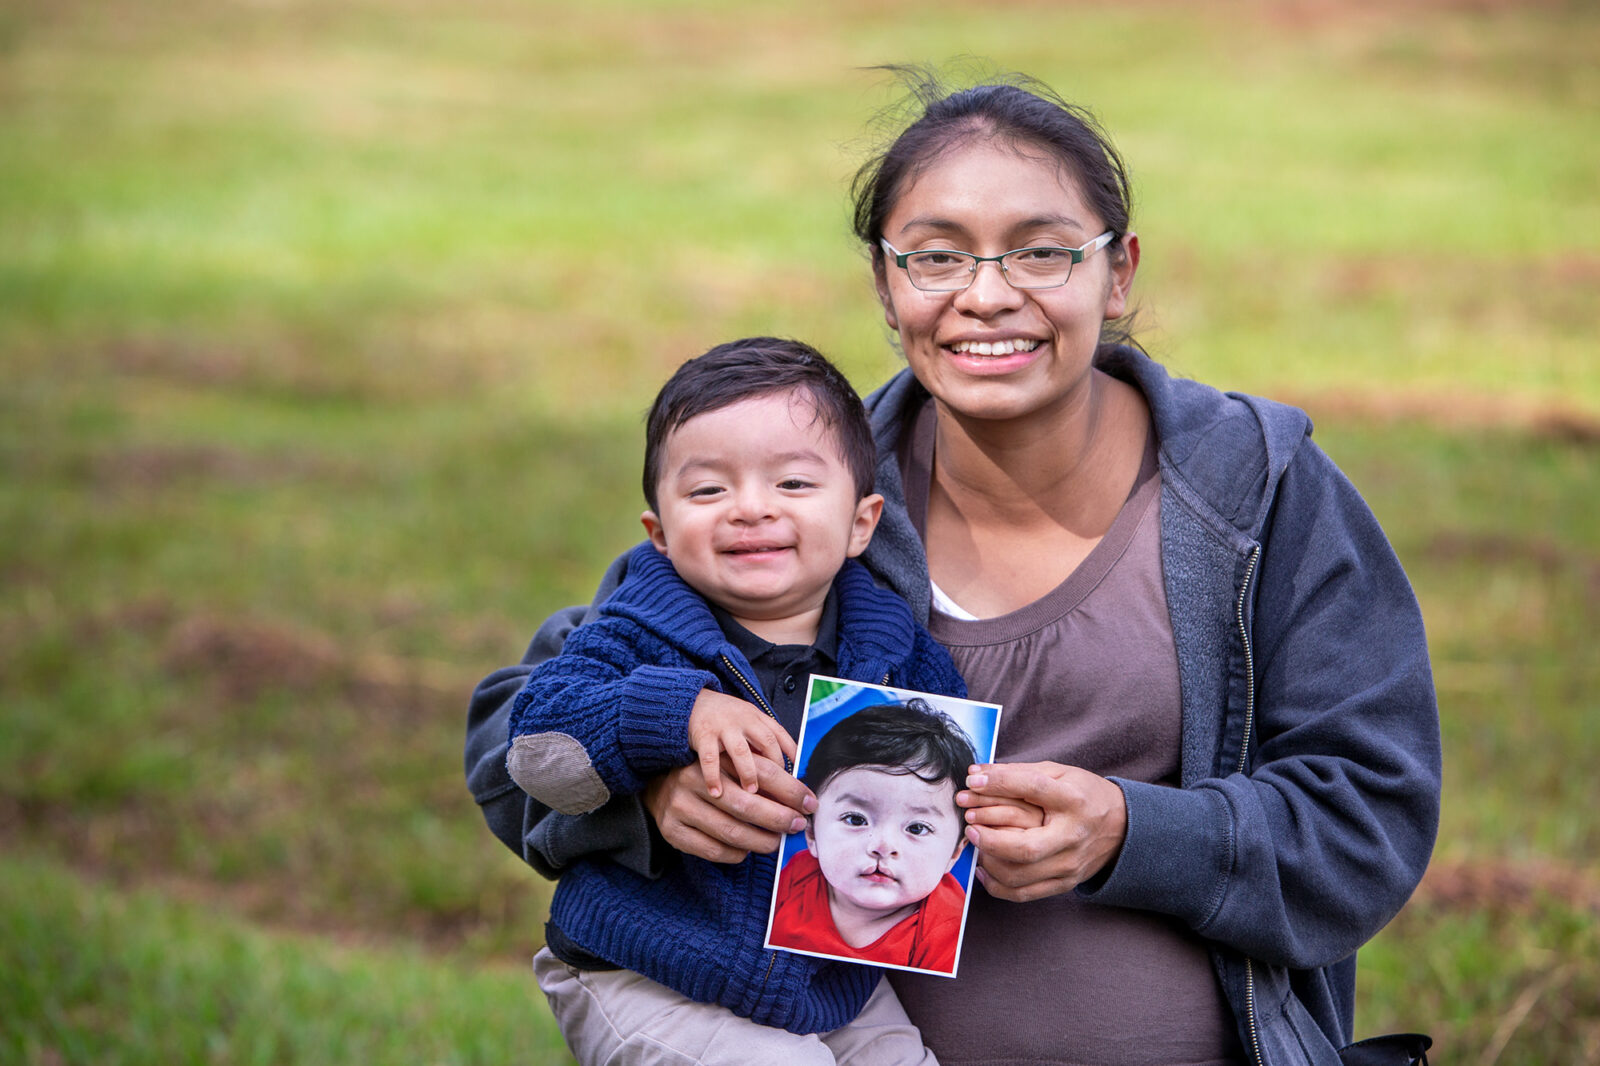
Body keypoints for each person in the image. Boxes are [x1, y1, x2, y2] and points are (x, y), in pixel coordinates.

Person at [466, 69, 1442, 1066]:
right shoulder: (805, 498)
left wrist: (1130, 832)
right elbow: (523, 724)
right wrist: (657, 784)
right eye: (934, 256)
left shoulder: (1255, 492)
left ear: (1119, 273)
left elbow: (1369, 817)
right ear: (886, 289)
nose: (985, 294)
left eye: (1042, 251)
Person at [500, 336, 972, 1065]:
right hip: (646, 971)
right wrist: (673, 711)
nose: (750, 509)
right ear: (658, 534)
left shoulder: (898, 654)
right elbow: (538, 750)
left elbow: (952, 779)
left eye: (792, 485)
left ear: (861, 524)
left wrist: (981, 814)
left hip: (831, 979)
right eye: (708, 490)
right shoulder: (636, 631)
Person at [769, 699, 976, 975]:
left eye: (916, 828)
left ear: (954, 853)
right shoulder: (797, 876)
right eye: (856, 819)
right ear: (811, 834)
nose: (882, 846)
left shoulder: (945, 929)